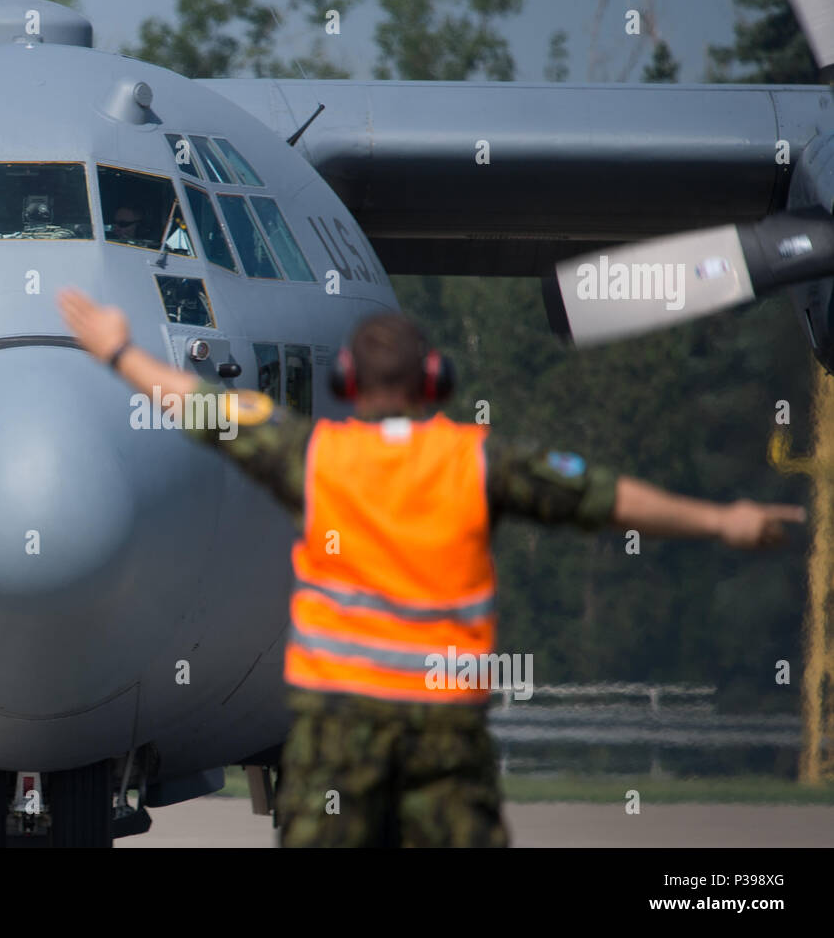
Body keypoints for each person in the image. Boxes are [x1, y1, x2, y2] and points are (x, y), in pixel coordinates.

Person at [55, 287, 807, 848]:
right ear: (436, 379)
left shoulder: (315, 457)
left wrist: (119, 351)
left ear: (348, 381)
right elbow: (607, 498)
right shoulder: (475, 462)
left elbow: (203, 406)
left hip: (337, 731)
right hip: (441, 730)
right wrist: (723, 520)